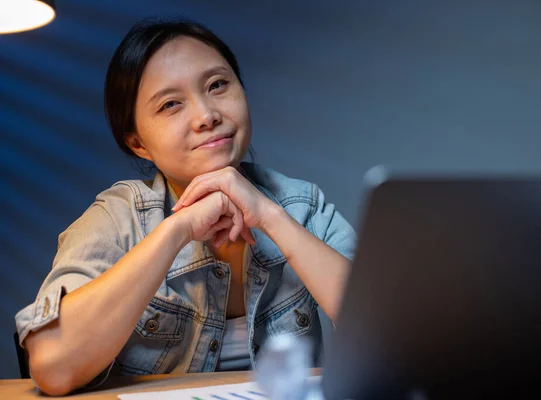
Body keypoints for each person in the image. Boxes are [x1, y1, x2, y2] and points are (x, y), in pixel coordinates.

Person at [14, 18, 356, 396]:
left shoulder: (303, 205)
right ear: (138, 143)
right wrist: (176, 230)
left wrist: (272, 218)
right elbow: (52, 367)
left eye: (217, 85)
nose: (206, 115)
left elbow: (400, 340)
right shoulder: (115, 219)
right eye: (171, 104)